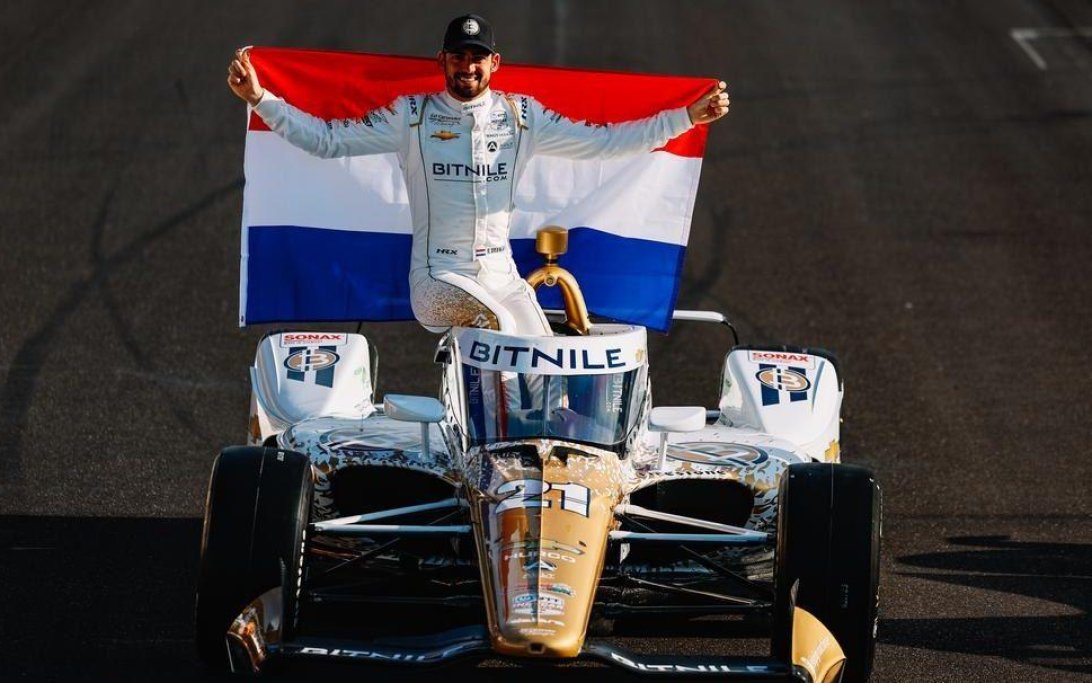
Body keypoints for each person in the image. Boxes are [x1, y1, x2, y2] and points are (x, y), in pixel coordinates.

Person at [228, 14, 729, 336]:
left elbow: (604, 143)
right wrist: (261, 100)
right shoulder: (412, 115)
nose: (467, 66)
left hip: (503, 278)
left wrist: (685, 118)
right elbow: (327, 140)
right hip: (435, 280)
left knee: (545, 360)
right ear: (442, 60)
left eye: (476, 58)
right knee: (494, 327)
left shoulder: (522, 116)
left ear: (495, 63)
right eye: (458, 56)